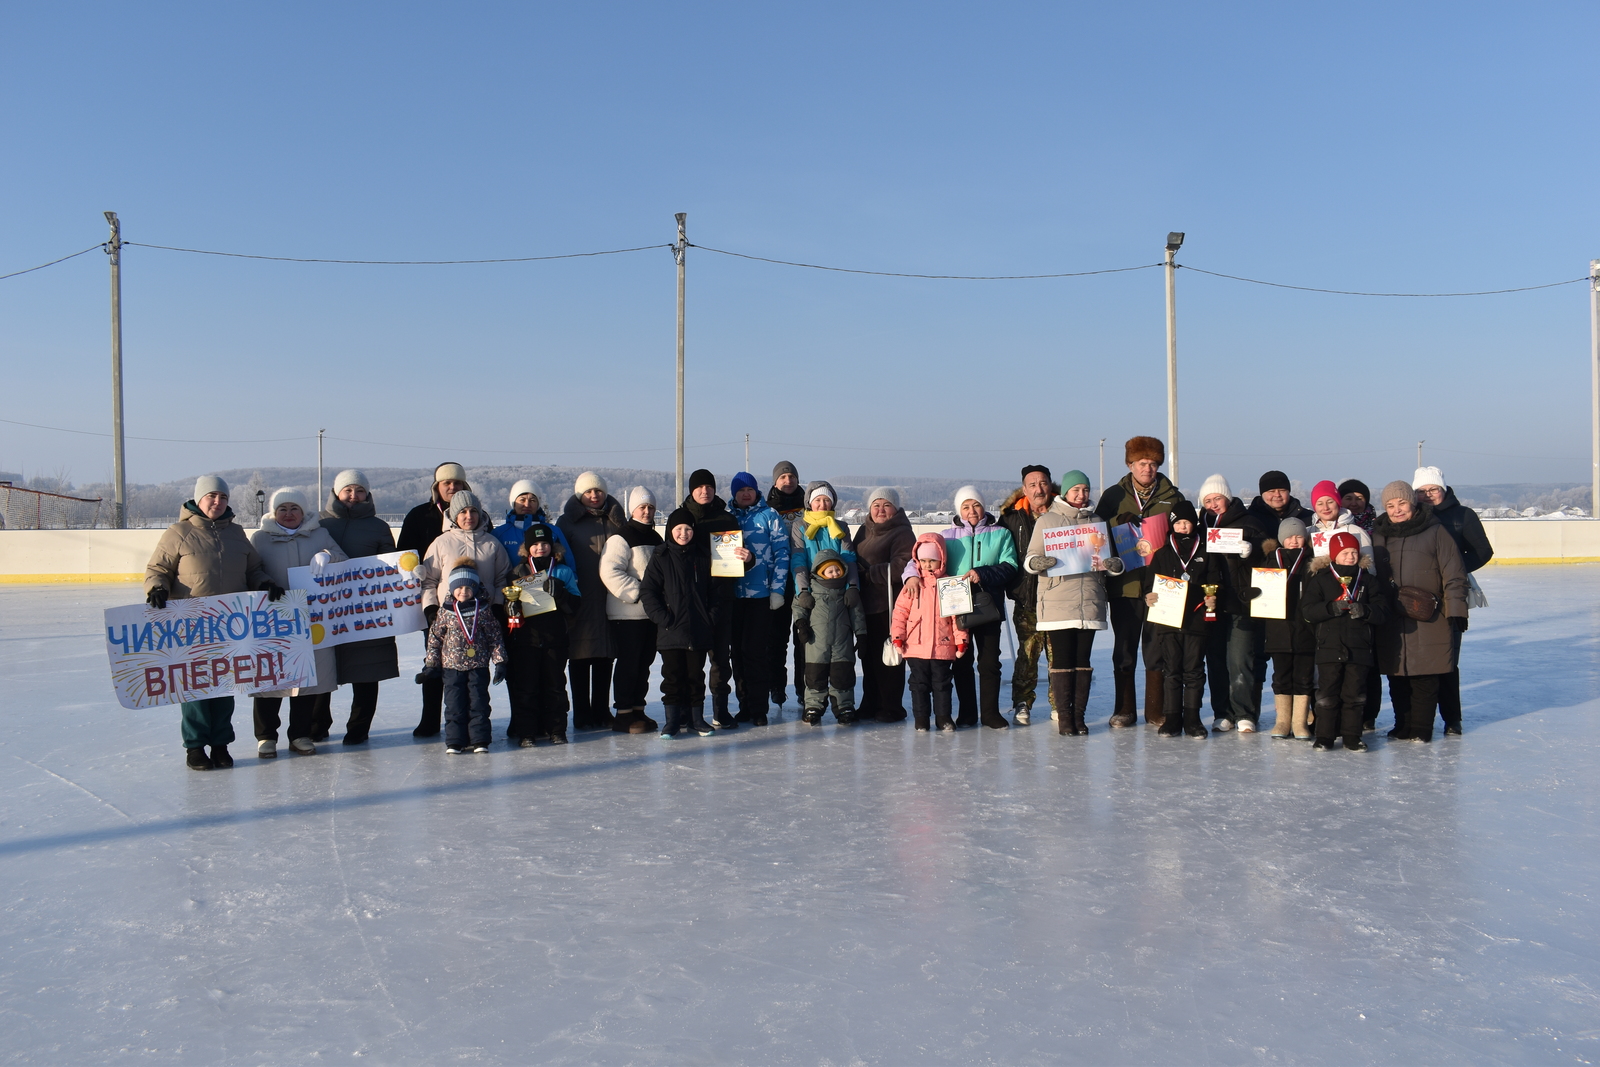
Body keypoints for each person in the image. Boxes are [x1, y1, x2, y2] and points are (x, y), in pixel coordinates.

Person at [144, 475, 277, 770]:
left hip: (231, 625)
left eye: (223, 497)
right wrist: (157, 588)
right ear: (198, 500)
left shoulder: (237, 534)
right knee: (194, 689)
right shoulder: (178, 532)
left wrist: (266, 583)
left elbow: (253, 568)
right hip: (191, 625)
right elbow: (158, 568)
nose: (217, 502)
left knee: (223, 686)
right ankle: (194, 747)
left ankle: (220, 744)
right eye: (211, 497)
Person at [902, 487, 1018, 729]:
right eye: (965, 506)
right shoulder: (948, 535)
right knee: (962, 661)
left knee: (989, 662)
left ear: (983, 506)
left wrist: (983, 573)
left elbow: (1010, 565)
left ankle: (990, 713)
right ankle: (967, 713)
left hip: (988, 604)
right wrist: (910, 576)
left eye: (975, 505)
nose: (971, 511)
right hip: (955, 606)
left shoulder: (1000, 534)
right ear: (958, 510)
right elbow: (923, 558)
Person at [1022, 469, 1122, 736]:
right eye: (1076, 490)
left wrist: (1114, 565)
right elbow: (1030, 558)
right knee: (1063, 659)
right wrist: (1038, 563)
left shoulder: (1097, 522)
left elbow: (1110, 561)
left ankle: (1079, 716)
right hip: (1058, 600)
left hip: (1090, 599)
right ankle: (1065, 716)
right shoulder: (1048, 520)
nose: (1081, 495)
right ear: (1065, 492)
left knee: (1083, 660)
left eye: (1085, 490)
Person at [249, 488, 347, 757]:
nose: (289, 514)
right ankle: (266, 736)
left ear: (303, 512)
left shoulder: (319, 535)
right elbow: (250, 570)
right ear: (274, 512)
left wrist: (327, 554)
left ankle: (301, 734)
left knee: (307, 679)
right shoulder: (260, 538)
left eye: (294, 509)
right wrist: (263, 583)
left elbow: (344, 561)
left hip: (312, 618)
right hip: (272, 619)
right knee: (269, 679)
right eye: (283, 509)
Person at [1094, 436, 1183, 728]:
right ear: (1130, 464)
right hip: (1126, 584)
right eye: (1142, 463)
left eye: (1153, 463)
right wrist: (1117, 524)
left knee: (1156, 648)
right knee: (1125, 649)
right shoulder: (1113, 496)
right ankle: (1124, 709)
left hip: (1159, 586)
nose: (1148, 468)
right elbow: (1096, 537)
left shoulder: (1172, 496)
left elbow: (1184, 535)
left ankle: (1155, 709)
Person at [1371, 481, 1469, 743]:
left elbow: (1454, 573)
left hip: (1430, 616)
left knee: (1426, 675)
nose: (1396, 510)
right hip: (1392, 616)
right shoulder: (1379, 535)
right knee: (1398, 675)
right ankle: (1402, 724)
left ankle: (1422, 728)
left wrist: (1457, 609)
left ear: (1412, 503)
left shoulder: (1436, 531)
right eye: (1390, 505)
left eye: (1401, 503)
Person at [316, 469, 400, 746]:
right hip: (327, 609)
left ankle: (359, 727)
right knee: (323, 667)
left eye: (359, 490)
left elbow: (391, 565)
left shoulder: (377, 526)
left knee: (367, 670)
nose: (353, 496)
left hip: (367, 610)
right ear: (336, 493)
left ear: (367, 494)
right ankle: (317, 725)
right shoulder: (318, 524)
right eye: (348, 490)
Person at [1413, 465, 1493, 736]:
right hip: (1417, 597)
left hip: (1451, 595)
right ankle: (1415, 716)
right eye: (1421, 491)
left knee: (1447, 658)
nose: (1428, 495)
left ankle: (1452, 719)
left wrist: (1453, 569)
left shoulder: (1463, 515)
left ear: (1443, 488)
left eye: (1433, 489)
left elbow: (1483, 551)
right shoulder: (1411, 517)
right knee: (1418, 659)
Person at [397, 462, 472, 737]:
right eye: (446, 483)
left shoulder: (474, 514)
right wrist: (412, 568)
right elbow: (402, 553)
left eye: (458, 483)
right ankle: (429, 718)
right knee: (434, 661)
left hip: (471, 606)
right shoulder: (420, 515)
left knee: (469, 664)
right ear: (436, 487)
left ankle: (465, 718)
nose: (452, 487)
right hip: (435, 605)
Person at [1141, 500, 1221, 738]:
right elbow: (1149, 584)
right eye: (1179, 523)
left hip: (1197, 620)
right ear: (1172, 525)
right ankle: (1172, 717)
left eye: (1187, 523)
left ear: (1194, 524)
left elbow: (1216, 581)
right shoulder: (1163, 554)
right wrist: (1149, 596)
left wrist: (1214, 597)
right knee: (1172, 669)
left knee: (1194, 671)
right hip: (1168, 621)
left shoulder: (1206, 551)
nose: (1183, 527)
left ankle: (1193, 718)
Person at [1304, 531, 1390, 752]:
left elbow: (1382, 612)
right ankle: (1325, 736)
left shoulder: (1367, 580)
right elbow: (1307, 611)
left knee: (1355, 695)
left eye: (1353, 552)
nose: (1350, 557)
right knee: (1326, 695)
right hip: (1329, 647)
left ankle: (1352, 737)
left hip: (1359, 647)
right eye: (1344, 553)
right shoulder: (1321, 580)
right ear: (1334, 555)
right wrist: (1329, 608)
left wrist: (1365, 610)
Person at [1196, 473, 1268, 733]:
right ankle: (1222, 712)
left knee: (1240, 659)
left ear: (1227, 497)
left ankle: (1245, 712)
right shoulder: (1201, 526)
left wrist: (1252, 549)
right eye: (1207, 501)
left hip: (1242, 602)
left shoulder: (1249, 521)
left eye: (1217, 498)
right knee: (1216, 659)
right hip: (1212, 602)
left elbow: (1269, 552)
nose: (1213, 504)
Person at [640, 507, 717, 738]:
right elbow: (648, 591)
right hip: (671, 631)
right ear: (670, 531)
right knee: (672, 679)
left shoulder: (703, 556)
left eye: (687, 529)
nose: (683, 533)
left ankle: (696, 720)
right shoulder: (661, 556)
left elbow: (715, 592)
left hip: (697, 629)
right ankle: (672, 722)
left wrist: (709, 618)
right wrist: (663, 618)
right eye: (678, 529)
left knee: (695, 678)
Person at [557, 472, 626, 731]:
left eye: (598, 491)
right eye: (588, 492)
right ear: (580, 495)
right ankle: (582, 713)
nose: (594, 495)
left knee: (605, 656)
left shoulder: (617, 519)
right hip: (580, 597)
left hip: (610, 596)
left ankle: (601, 710)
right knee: (579, 656)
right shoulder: (567, 523)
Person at [503, 523, 581, 745]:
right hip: (526, 641)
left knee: (555, 687)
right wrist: (510, 609)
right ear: (527, 549)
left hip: (555, 639)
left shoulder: (563, 571)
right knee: (526, 688)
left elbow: (576, 607)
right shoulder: (517, 573)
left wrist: (562, 594)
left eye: (544, 543)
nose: (540, 548)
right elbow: (509, 606)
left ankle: (557, 730)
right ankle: (526, 732)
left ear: (552, 546)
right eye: (535, 544)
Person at [679, 469, 744, 729]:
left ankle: (721, 709)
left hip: (722, 596)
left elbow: (739, 560)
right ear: (692, 490)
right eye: (699, 487)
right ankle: (689, 711)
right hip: (691, 599)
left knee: (720, 658)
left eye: (709, 487)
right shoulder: (682, 518)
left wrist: (746, 559)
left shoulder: (727, 518)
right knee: (690, 660)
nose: (704, 491)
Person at [422, 559, 506, 753]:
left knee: (479, 704)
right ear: (451, 589)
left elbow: (495, 638)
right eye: (458, 587)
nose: (463, 591)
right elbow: (434, 639)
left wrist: (500, 662)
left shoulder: (483, 610)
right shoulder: (445, 612)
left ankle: (479, 740)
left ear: (476, 589)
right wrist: (431, 665)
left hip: (478, 665)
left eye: (468, 588)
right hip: (451, 667)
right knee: (454, 705)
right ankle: (455, 741)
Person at [790, 481, 860, 715]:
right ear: (809, 502)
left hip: (839, 590)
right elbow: (799, 561)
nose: (822, 504)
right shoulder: (801, 526)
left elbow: (849, 557)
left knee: (840, 653)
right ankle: (810, 700)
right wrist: (803, 592)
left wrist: (852, 586)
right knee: (810, 650)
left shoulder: (840, 526)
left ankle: (842, 702)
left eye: (826, 500)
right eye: (818, 500)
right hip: (812, 593)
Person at [728, 471, 789, 725]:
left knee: (756, 653)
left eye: (750, 490)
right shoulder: (727, 517)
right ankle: (744, 705)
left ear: (756, 492)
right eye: (741, 490)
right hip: (733, 596)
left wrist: (777, 590)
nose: (746, 494)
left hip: (760, 596)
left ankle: (758, 708)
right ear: (734, 493)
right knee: (737, 655)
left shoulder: (769, 516)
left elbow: (782, 554)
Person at [600, 486, 662, 735]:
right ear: (632, 510)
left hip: (651, 614)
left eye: (650, 508)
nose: (646, 512)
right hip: (627, 613)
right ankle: (623, 712)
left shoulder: (657, 538)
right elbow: (610, 571)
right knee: (629, 663)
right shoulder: (620, 538)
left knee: (644, 663)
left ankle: (638, 708)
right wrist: (639, 593)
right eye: (642, 507)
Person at [890, 534, 968, 732]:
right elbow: (900, 613)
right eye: (923, 561)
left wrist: (961, 640)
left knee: (942, 684)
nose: (927, 565)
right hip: (915, 646)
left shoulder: (950, 585)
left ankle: (943, 717)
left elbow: (957, 617)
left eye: (932, 561)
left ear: (941, 560)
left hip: (942, 645)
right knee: (918, 684)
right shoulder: (912, 584)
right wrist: (898, 637)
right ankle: (921, 719)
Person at [999, 465, 1056, 724]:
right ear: (1024, 489)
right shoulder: (1011, 518)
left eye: (1043, 483)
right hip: (1027, 599)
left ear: (1050, 486)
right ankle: (1022, 702)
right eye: (1032, 485)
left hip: (1059, 599)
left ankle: (1060, 702)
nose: (1038, 489)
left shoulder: (1063, 513)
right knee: (1028, 653)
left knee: (1059, 655)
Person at [853, 486, 915, 723]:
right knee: (868, 658)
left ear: (895, 509)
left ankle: (891, 705)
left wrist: (870, 573)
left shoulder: (902, 533)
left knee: (888, 657)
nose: (880, 510)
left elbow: (903, 565)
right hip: (864, 604)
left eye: (886, 505)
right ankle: (870, 702)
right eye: (876, 505)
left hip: (888, 605)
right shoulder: (863, 530)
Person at [792, 549, 867, 725]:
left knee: (843, 676)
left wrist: (861, 635)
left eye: (837, 570)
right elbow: (798, 607)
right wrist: (801, 624)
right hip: (816, 643)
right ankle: (813, 707)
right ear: (820, 572)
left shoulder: (847, 593)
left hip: (842, 643)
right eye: (830, 571)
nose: (834, 574)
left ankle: (844, 707)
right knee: (814, 676)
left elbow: (858, 615)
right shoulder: (811, 591)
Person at [1261, 517, 1316, 741]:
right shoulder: (1270, 560)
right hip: (1278, 629)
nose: (1294, 541)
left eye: (1298, 536)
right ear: (1281, 539)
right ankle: (1282, 721)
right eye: (1289, 537)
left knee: (1304, 676)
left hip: (1305, 629)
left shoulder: (1313, 561)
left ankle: (1300, 721)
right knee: (1281, 674)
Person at [765, 460, 806, 706]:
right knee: (776, 639)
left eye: (791, 476)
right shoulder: (767, 510)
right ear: (775, 481)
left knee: (803, 638)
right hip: (776, 582)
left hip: (802, 580)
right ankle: (776, 686)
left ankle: (803, 687)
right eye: (783, 477)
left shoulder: (809, 506)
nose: (787, 481)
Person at [493, 479, 573, 571]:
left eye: (532, 500)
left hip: (549, 583)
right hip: (510, 584)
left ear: (538, 504)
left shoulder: (553, 532)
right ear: (514, 503)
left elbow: (569, 561)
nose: (527, 505)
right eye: (522, 500)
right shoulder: (499, 534)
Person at [1308, 480, 1374, 566]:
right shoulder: (1307, 532)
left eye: (1330, 502)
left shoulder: (1355, 531)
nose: (1326, 508)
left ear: (1338, 503)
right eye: (1320, 504)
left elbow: (1369, 567)